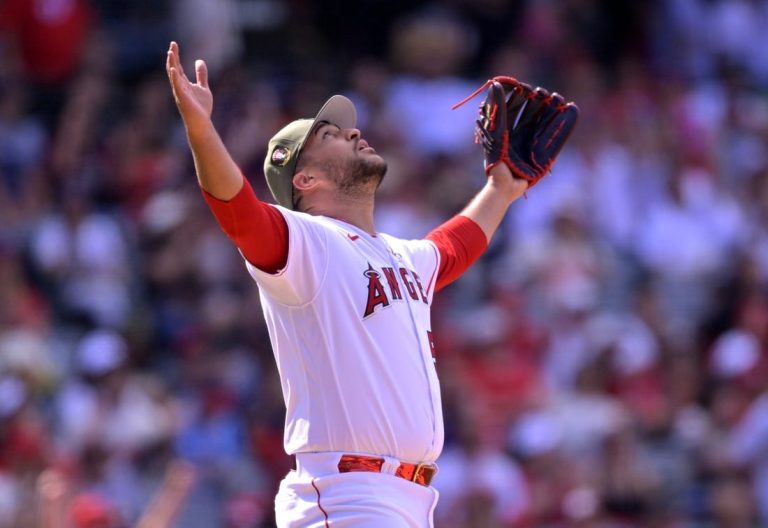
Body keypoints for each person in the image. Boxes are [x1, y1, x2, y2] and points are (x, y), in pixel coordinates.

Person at [166, 40, 530, 527]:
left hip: (405, 498)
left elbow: (452, 247)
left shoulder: (400, 253)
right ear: (305, 180)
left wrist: (501, 188)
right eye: (331, 136)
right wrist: (201, 129)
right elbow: (238, 213)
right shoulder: (307, 243)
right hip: (346, 496)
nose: (355, 132)